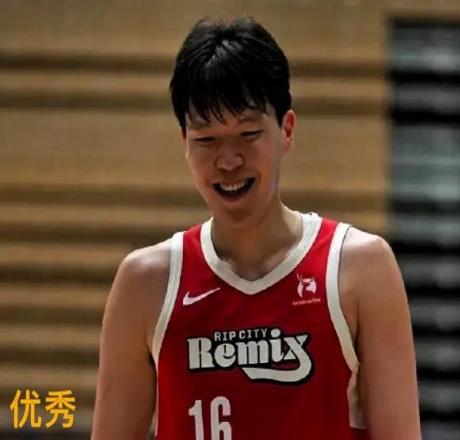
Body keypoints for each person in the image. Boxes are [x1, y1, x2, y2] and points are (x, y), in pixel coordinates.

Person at [91, 17, 421, 440]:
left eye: (248, 134)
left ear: (287, 130)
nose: (228, 160)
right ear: (184, 142)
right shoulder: (145, 283)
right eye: (207, 140)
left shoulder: (360, 269)